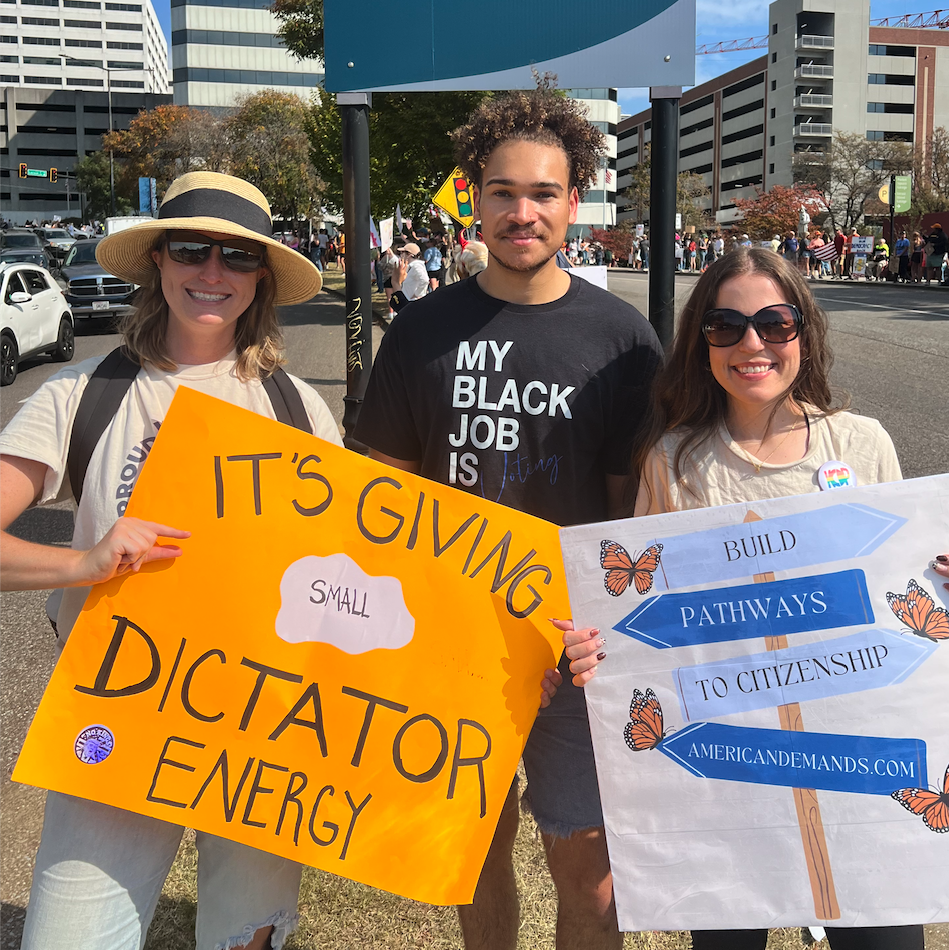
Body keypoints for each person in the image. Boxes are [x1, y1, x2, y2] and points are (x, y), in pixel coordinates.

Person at [558, 248, 949, 950]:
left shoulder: (861, 445)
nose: (751, 344)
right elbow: (634, 624)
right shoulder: (672, 460)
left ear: (804, 331)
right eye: (724, 325)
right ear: (700, 342)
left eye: (773, 322)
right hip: (734, 779)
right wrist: (596, 652)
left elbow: (911, 590)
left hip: (860, 768)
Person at [0, 171, 345, 950]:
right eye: (191, 248)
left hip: (263, 725)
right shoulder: (79, 394)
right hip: (113, 715)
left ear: (261, 279)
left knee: (244, 936)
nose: (212, 272)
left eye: (237, 256)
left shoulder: (298, 409)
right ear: (158, 260)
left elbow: (347, 572)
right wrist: (81, 564)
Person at [352, 87, 662, 950]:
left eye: (542, 194)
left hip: (575, 649)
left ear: (573, 200)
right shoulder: (419, 332)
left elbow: (624, 510)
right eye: (502, 191)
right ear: (472, 196)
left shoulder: (624, 341)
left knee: (590, 874)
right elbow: (387, 495)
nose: (521, 212)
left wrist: (606, 632)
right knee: (475, 857)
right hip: (450, 643)